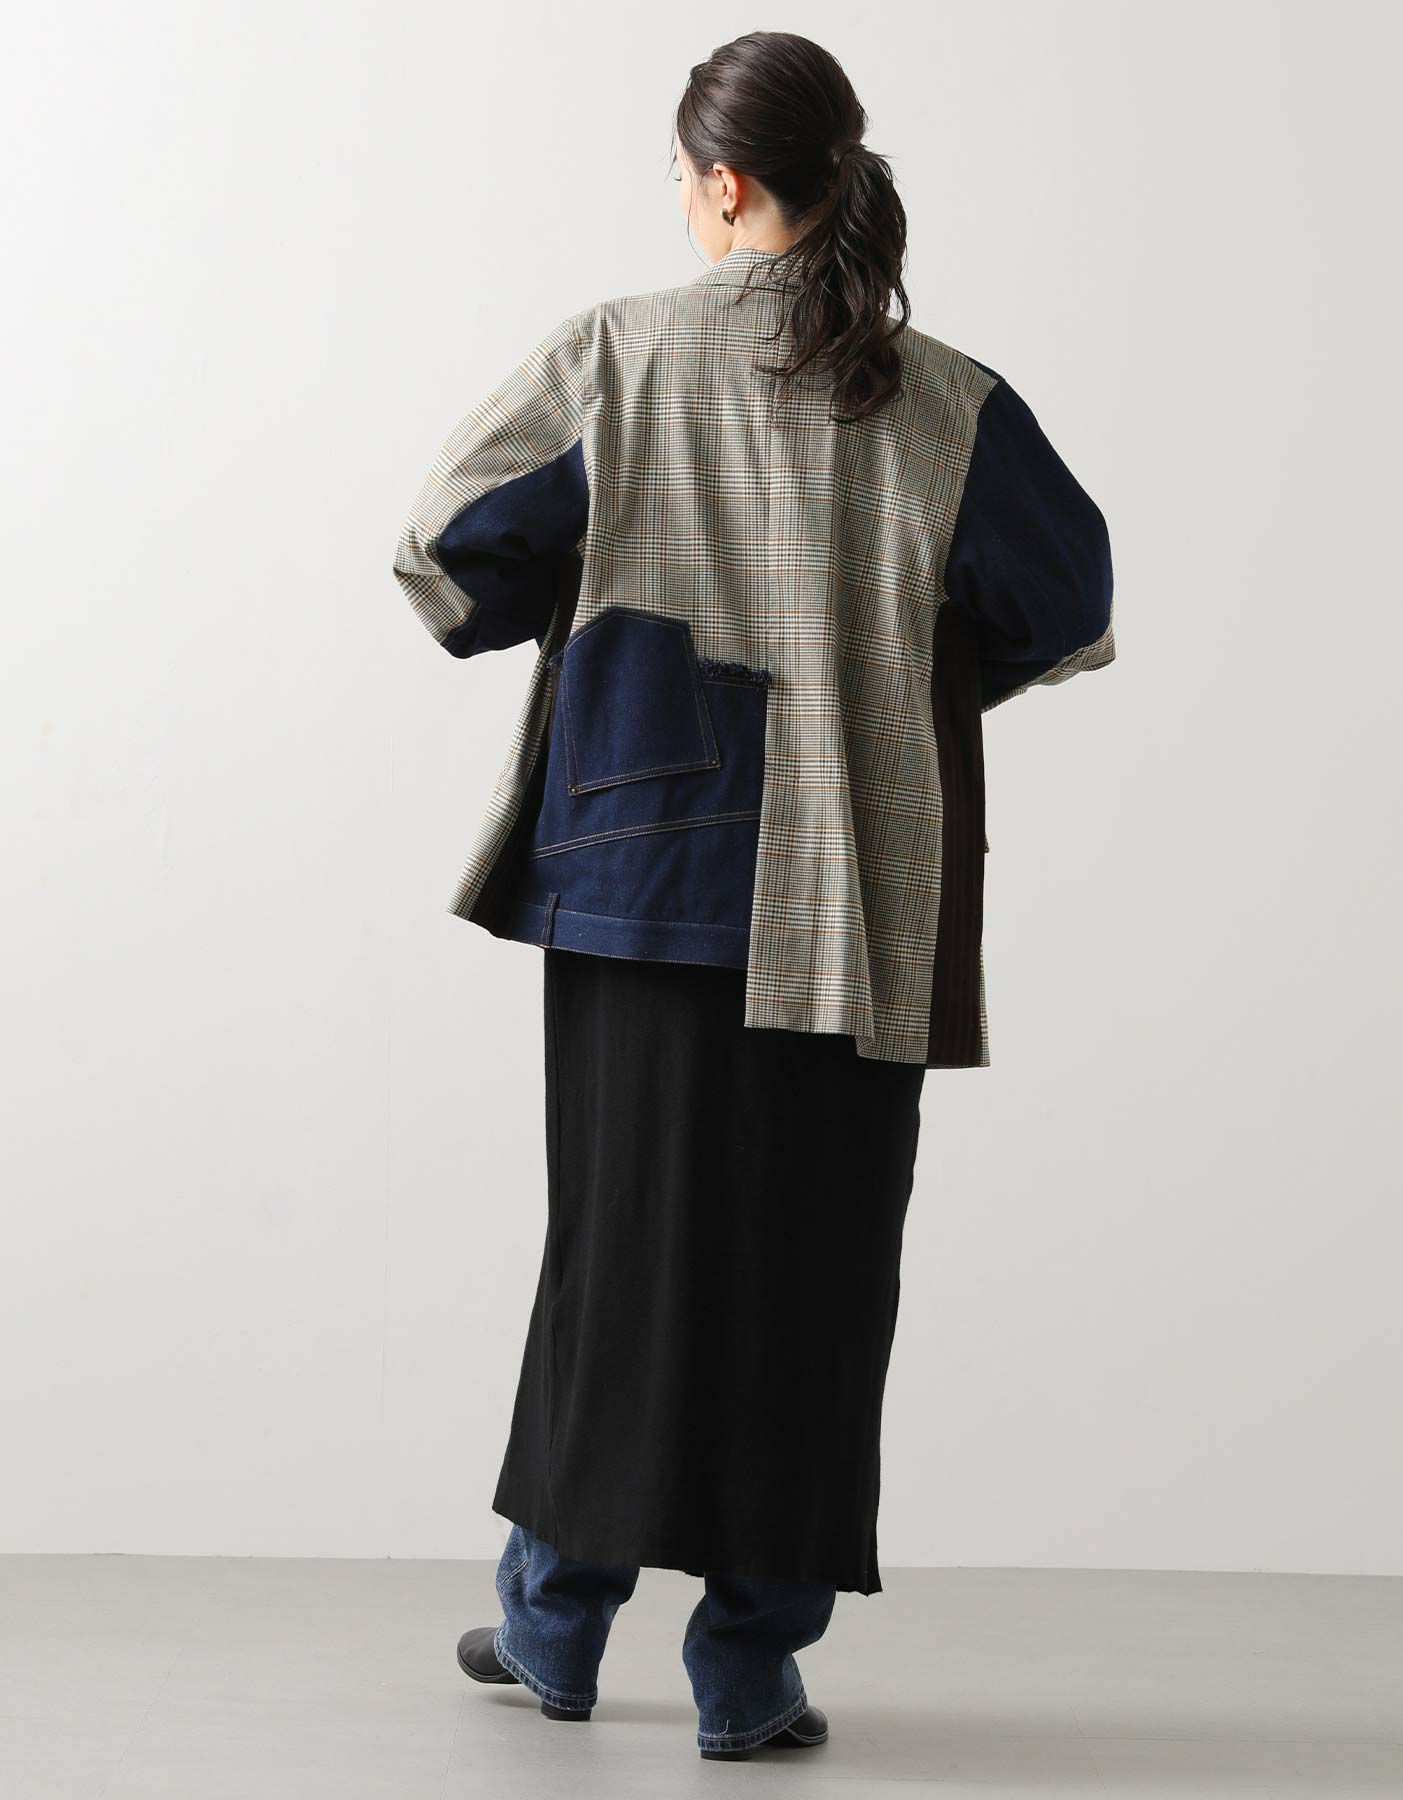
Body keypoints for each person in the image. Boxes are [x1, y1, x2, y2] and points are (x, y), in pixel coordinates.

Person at [391, 29, 1114, 1765]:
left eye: (680, 177)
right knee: (816, 1276)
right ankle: (749, 1670)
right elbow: (1071, 604)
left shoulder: (615, 355)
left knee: (615, 1259)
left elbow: (448, 553)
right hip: (856, 887)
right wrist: (908, 674)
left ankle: (556, 1628)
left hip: (640, 871)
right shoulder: (947, 399)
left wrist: (595, 594)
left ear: (721, 182)